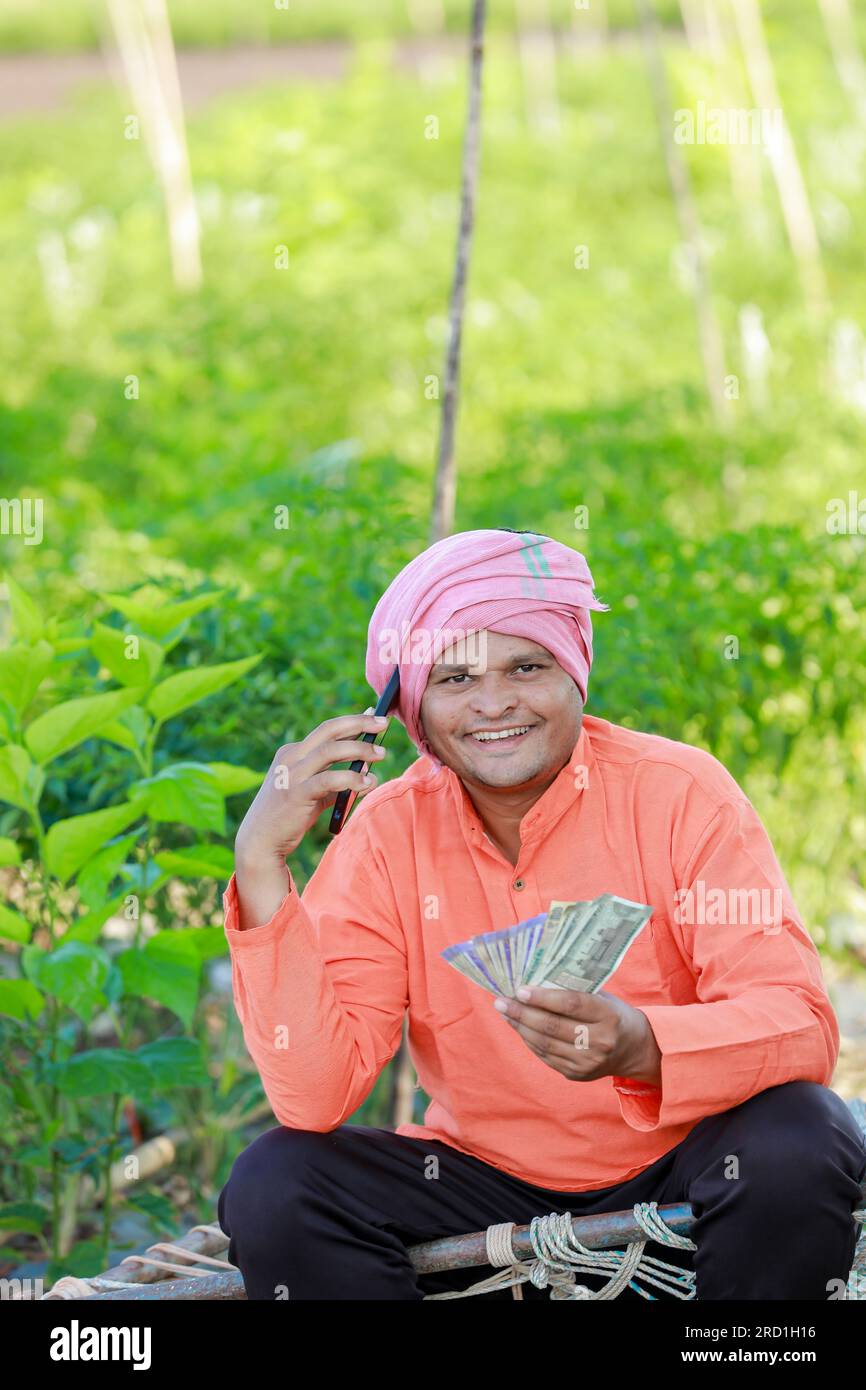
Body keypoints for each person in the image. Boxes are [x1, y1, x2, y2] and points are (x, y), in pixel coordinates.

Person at [217, 528, 866, 1300]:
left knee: (803, 1132)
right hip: (482, 1188)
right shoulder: (387, 836)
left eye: (526, 666)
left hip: (692, 1171)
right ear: (410, 707)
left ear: (576, 674)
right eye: (455, 677)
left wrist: (643, 1045)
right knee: (275, 1181)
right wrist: (259, 864)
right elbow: (312, 1098)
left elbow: (800, 1027)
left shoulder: (681, 793)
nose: (494, 703)